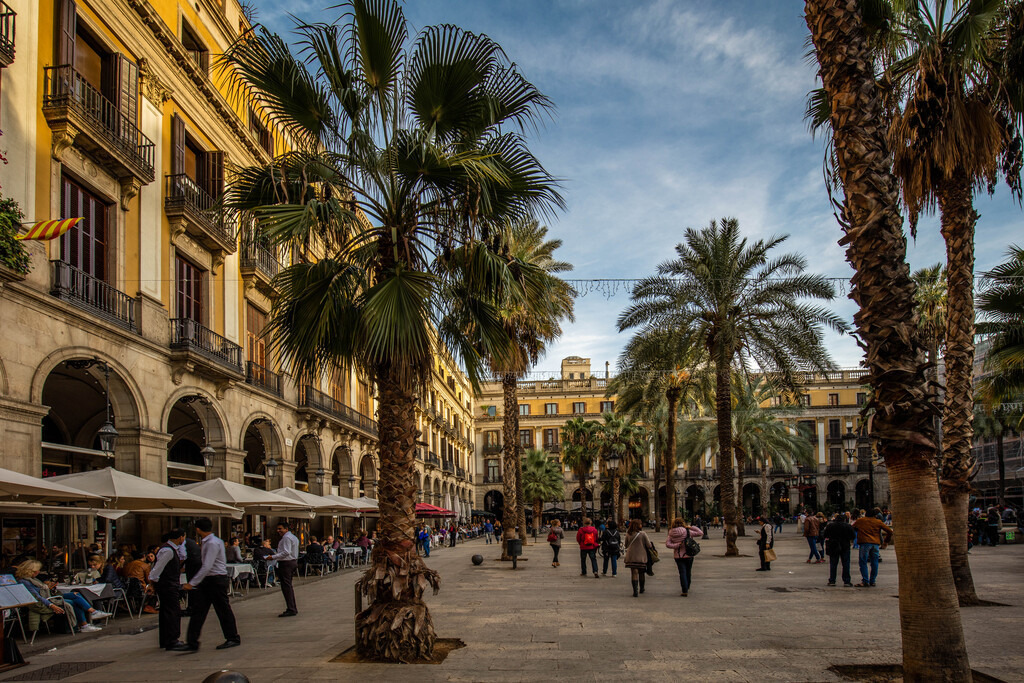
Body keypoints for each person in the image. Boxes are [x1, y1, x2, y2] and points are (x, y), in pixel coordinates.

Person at [182, 517, 240, 651]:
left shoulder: (211, 543)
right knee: (199, 610)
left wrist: (192, 583)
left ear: (197, 529)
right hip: (211, 579)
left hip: (215, 579)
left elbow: (207, 565)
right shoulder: (214, 541)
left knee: (222, 609)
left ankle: (232, 637)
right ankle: (192, 642)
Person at [16, 560, 109, 633]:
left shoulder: (33, 579)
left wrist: (48, 587)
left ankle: (93, 612)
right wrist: (51, 605)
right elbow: (37, 596)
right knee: (72, 602)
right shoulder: (25, 582)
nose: (38, 572)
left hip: (51, 596)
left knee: (75, 594)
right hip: (45, 601)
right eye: (37, 570)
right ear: (32, 571)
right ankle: (84, 624)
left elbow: (42, 591)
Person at [149, 528, 190, 650]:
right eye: (183, 537)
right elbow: (157, 569)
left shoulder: (169, 549)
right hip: (168, 585)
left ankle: (166, 640)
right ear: (180, 537)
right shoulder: (168, 550)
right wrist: (153, 582)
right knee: (173, 612)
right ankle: (172, 640)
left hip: (167, 584)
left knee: (167, 612)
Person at [852, 511, 893, 587]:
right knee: (874, 562)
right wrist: (886, 540)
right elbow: (890, 531)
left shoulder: (861, 521)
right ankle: (873, 580)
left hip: (864, 543)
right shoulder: (878, 522)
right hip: (875, 543)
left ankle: (865, 580)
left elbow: (852, 528)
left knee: (863, 562)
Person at [267, 522, 299, 617]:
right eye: (278, 529)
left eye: (280, 529)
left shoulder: (286, 538)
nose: (278, 531)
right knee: (288, 586)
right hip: (292, 561)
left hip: (286, 563)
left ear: (286, 529)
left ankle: (291, 608)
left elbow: (286, 552)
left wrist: (273, 557)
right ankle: (292, 607)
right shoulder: (293, 537)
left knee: (286, 586)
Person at [665, 516, 704, 596]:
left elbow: (668, 544)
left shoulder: (671, 533)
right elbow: (700, 533)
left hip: (678, 556)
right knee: (688, 571)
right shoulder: (687, 531)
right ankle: (687, 586)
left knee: (682, 572)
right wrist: (691, 527)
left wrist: (677, 545)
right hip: (689, 554)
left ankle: (684, 590)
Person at [823, 512, 856, 587]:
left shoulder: (830, 526)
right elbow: (853, 536)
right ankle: (846, 581)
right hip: (845, 546)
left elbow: (825, 535)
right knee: (846, 564)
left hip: (834, 545)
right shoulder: (848, 526)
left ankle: (832, 580)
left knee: (833, 564)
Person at [623, 519, 654, 597]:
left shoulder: (628, 534)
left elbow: (626, 545)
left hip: (631, 556)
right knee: (641, 572)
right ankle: (642, 588)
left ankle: (635, 591)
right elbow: (648, 545)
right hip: (641, 556)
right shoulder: (643, 534)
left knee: (634, 573)